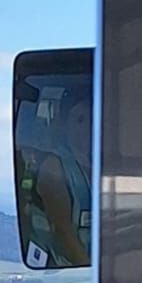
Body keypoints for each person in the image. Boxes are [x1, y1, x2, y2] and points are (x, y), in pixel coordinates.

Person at [36, 83, 92, 268]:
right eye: (79, 120)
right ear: (65, 125)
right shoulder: (54, 167)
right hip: (75, 265)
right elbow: (61, 230)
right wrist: (89, 267)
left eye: (92, 119)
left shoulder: (100, 164)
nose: (87, 128)